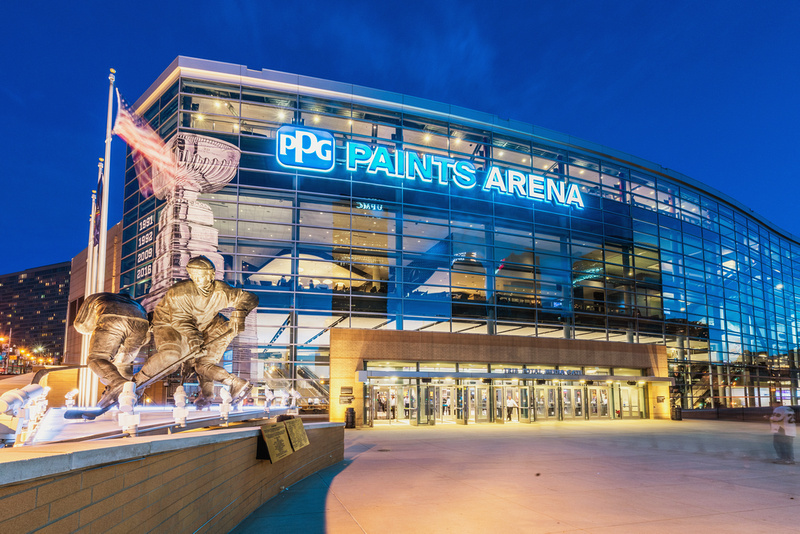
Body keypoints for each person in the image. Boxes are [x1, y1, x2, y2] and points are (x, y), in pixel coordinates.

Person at [134, 256, 258, 408]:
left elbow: (249, 298)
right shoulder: (179, 293)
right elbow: (180, 320)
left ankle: (229, 386)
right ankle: (136, 383)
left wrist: (240, 314)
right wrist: (195, 340)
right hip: (170, 324)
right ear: (191, 276)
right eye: (195, 276)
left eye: (204, 275)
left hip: (209, 324)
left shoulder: (221, 290)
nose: (200, 280)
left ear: (212, 275)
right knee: (171, 356)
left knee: (204, 365)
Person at [73, 291, 150, 408]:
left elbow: (80, 324)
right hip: (141, 323)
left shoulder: (99, 297)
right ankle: (127, 396)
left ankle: (117, 385)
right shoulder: (137, 305)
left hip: (111, 317)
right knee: (122, 364)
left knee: (96, 358)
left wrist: (97, 330)